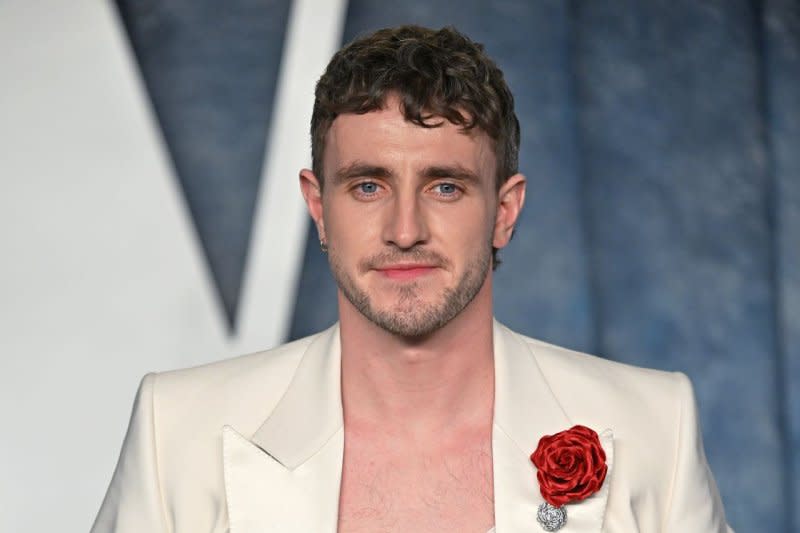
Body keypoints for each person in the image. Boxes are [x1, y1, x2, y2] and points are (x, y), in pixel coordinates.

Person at [92, 25, 732, 532]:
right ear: (319, 208)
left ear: (503, 212)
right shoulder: (175, 430)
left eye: (445, 186)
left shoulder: (655, 428)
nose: (404, 229)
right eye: (368, 185)